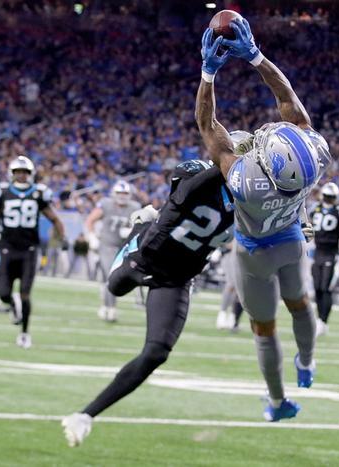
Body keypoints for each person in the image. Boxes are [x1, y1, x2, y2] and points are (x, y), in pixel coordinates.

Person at [195, 19, 331, 421]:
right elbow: (289, 102)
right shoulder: (316, 157)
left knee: (264, 329)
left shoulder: (247, 182)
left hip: (254, 254)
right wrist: (256, 56)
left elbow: (208, 125)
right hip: (290, 239)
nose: (270, 130)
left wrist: (209, 72)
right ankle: (306, 362)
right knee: (301, 303)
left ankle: (277, 402)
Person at [62, 159, 235, 447]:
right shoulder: (185, 196)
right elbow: (207, 179)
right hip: (143, 260)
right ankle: (140, 225)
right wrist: (235, 157)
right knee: (115, 288)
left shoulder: (236, 202)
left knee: (156, 353)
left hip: (175, 280)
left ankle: (85, 416)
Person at [0, 155, 66, 349]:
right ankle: (12, 303)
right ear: (12, 174)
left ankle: (25, 333)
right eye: (18, 172)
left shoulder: (38, 193)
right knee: (2, 292)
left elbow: (55, 219)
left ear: (31, 174)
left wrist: (62, 238)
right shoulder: (2, 192)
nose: (21, 176)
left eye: (25, 172)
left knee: (25, 294)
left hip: (29, 250)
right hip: (8, 248)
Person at [85, 180, 141, 322]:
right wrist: (92, 237)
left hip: (124, 248)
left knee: (110, 278)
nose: (122, 196)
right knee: (111, 276)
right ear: (113, 194)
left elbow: (142, 227)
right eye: (119, 193)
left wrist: (131, 231)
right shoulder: (105, 204)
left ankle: (106, 305)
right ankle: (111, 309)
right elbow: (90, 220)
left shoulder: (135, 207)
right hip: (107, 245)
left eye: (125, 193)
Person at [310, 182, 339, 336]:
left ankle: (323, 321)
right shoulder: (315, 209)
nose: (329, 199)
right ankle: (319, 320)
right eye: (327, 197)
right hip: (317, 253)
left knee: (326, 289)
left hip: (331, 254)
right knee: (317, 289)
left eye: (331, 197)